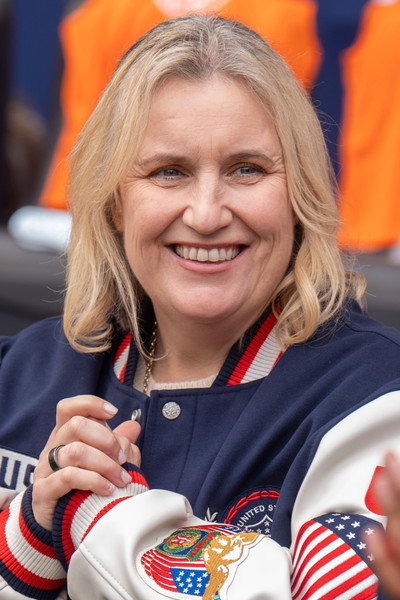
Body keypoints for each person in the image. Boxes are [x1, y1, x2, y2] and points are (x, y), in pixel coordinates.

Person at [0, 14, 400, 600]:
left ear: (301, 193)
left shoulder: (375, 398)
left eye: (247, 169)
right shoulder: (19, 375)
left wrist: (101, 518)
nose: (207, 214)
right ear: (115, 203)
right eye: (169, 172)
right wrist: (28, 533)